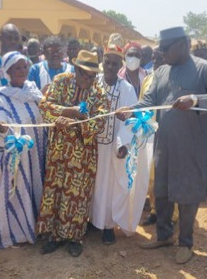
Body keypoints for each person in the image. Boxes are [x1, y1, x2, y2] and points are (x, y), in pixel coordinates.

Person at [119, 27, 207, 264]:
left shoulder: (204, 68)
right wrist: (131, 111)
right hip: (164, 145)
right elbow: (149, 101)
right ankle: (164, 235)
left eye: (165, 48)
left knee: (187, 196)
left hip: (192, 148)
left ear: (182, 45)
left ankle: (186, 243)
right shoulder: (161, 73)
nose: (162, 52)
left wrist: (196, 99)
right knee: (162, 192)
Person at [36, 50, 108, 257]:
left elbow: (100, 120)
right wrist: (68, 112)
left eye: (93, 75)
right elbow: (45, 105)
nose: (89, 79)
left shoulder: (98, 93)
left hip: (83, 154)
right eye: (85, 74)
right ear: (76, 69)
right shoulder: (60, 81)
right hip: (58, 151)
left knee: (78, 195)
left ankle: (75, 237)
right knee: (55, 190)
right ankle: (54, 236)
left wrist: (77, 123)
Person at [0, 51, 46, 248]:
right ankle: (20, 232)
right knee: (20, 192)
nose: (22, 71)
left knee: (37, 186)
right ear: (8, 71)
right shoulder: (2, 96)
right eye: (17, 68)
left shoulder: (34, 91)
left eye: (24, 66)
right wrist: (1, 128)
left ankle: (38, 226)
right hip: (17, 158)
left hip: (37, 154)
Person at [91, 36, 141, 245]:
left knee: (111, 187)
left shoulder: (127, 89)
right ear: (102, 62)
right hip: (92, 147)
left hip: (114, 147)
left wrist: (123, 144)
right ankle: (92, 221)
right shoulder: (93, 83)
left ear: (120, 65)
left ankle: (108, 226)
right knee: (92, 185)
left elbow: (131, 121)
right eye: (107, 62)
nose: (110, 66)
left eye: (114, 63)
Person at [140, 47, 170, 227]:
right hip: (149, 134)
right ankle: (154, 210)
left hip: (168, 134)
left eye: (160, 58)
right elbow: (142, 104)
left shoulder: (174, 80)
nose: (156, 62)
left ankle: (170, 216)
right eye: (154, 59)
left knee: (167, 176)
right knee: (152, 175)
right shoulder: (147, 80)